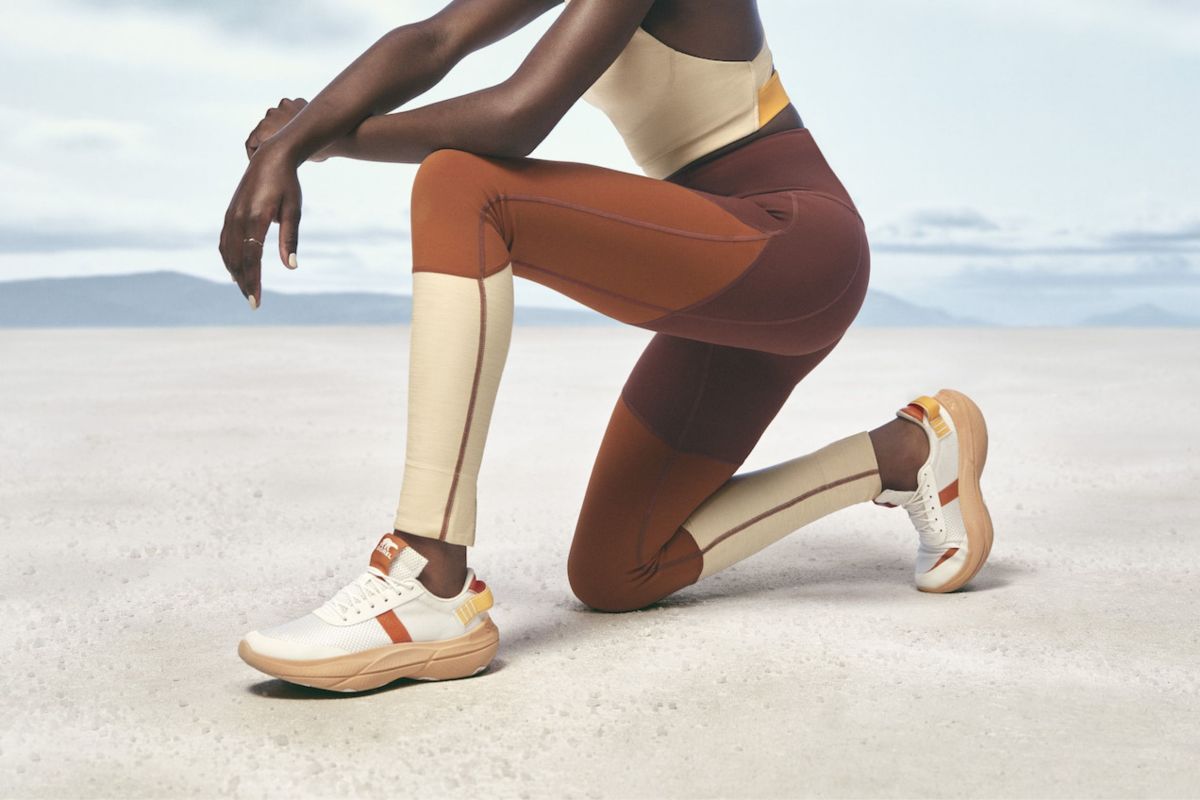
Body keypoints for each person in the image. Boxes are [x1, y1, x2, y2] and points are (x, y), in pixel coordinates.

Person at [221, 0, 993, 693]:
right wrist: (298, 135)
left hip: (794, 248)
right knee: (619, 569)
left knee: (462, 184)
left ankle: (428, 577)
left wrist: (309, 141)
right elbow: (435, 39)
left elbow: (513, 117)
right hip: (731, 274)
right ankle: (906, 455)